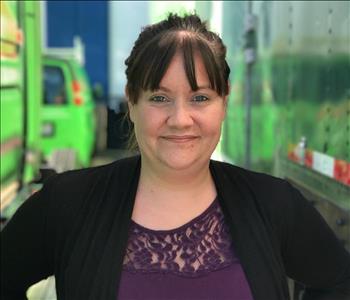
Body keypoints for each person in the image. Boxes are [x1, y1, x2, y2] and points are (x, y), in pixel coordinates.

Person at [1, 13, 350, 300]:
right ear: (132, 102)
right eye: (159, 98)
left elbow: (338, 281)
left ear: (224, 103)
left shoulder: (275, 204)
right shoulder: (67, 203)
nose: (180, 119)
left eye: (200, 98)